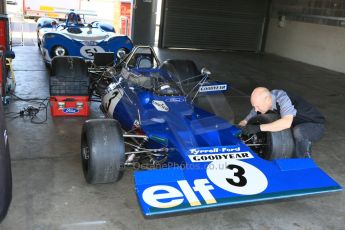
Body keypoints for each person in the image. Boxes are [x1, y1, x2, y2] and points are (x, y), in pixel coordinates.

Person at [238, 87, 325, 158]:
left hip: (315, 125)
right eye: (254, 106)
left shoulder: (283, 98)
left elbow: (286, 123)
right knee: (281, 129)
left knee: (298, 132)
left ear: (268, 100)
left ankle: (303, 162)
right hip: (295, 123)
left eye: (257, 106)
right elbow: (254, 112)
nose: (256, 109)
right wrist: (243, 122)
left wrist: (259, 127)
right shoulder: (266, 98)